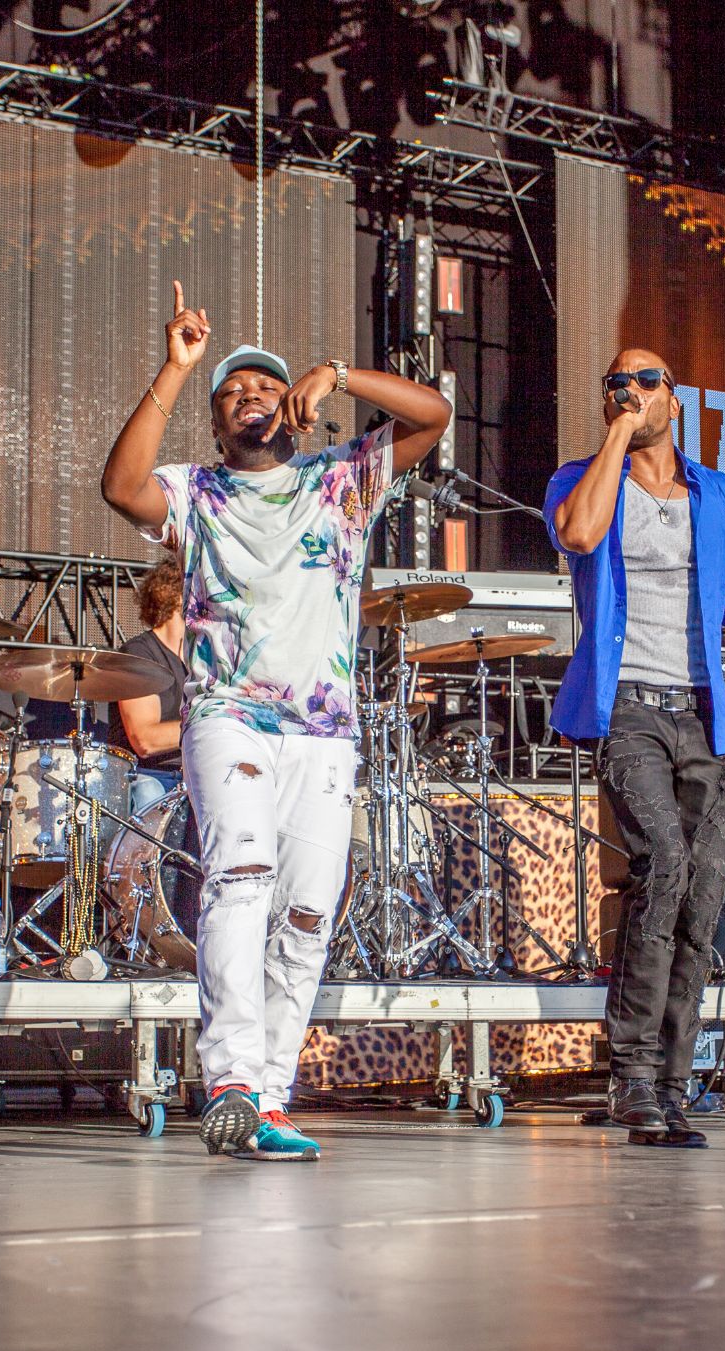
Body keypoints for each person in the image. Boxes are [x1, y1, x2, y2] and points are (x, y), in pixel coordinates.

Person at [101, 282, 451, 1161]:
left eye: (264, 385)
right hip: (230, 716)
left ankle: (270, 1095)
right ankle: (230, 1077)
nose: (250, 396)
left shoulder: (342, 480)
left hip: (323, 732)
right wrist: (178, 368)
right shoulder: (198, 491)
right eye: (232, 394)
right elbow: (121, 485)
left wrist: (340, 373)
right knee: (241, 878)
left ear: (294, 406)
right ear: (218, 427)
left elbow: (435, 415)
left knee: (306, 913)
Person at [545, 348, 725, 1150]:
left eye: (645, 380)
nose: (628, 389)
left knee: (700, 898)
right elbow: (579, 533)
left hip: (703, 716)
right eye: (615, 382)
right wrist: (618, 437)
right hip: (626, 708)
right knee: (660, 861)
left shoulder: (721, 496)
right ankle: (630, 1074)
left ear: (676, 398)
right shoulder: (580, 479)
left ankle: (670, 1083)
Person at [113, 546, 190, 810]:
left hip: (195, 773)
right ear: (177, 595)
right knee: (148, 791)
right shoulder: (139, 654)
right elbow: (145, 740)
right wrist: (210, 725)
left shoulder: (204, 658)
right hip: (150, 775)